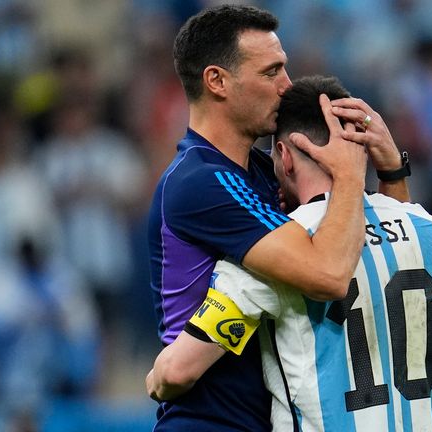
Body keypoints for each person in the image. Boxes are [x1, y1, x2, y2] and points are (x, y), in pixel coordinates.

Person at [147, 5, 411, 431]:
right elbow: (328, 275)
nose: (287, 87)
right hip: (210, 422)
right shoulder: (200, 183)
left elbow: (375, 252)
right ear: (217, 81)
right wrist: (349, 171)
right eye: (271, 73)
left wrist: (392, 172)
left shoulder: (264, 172)